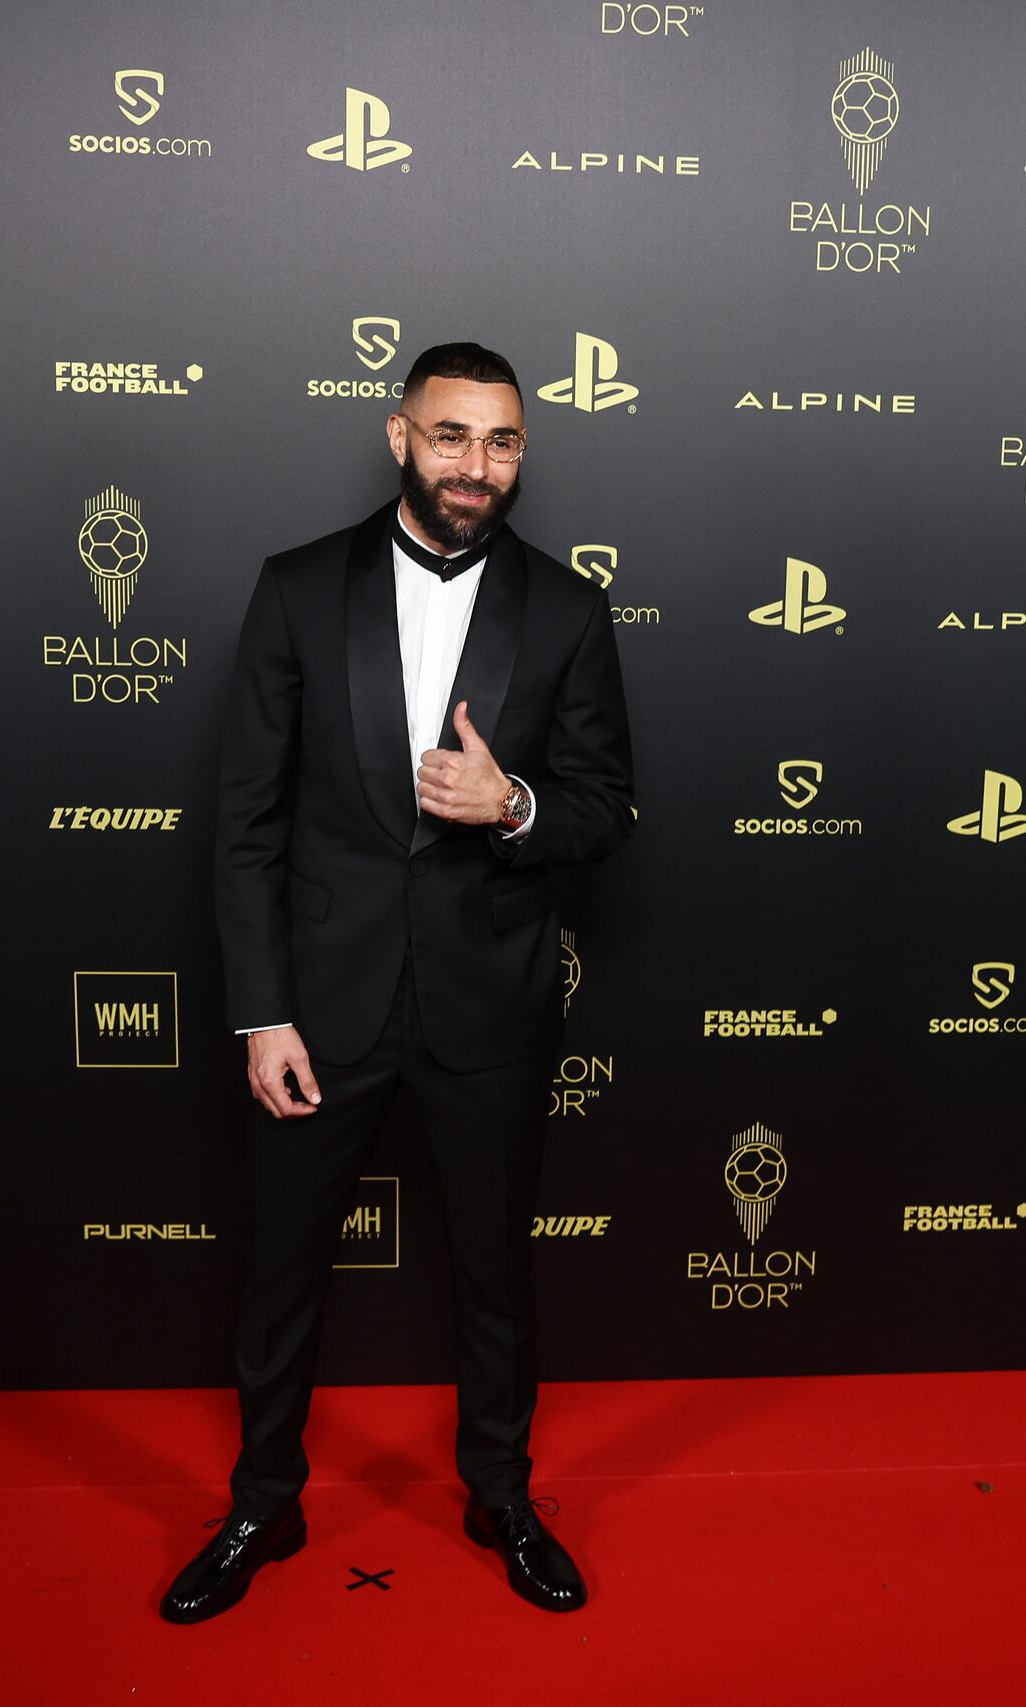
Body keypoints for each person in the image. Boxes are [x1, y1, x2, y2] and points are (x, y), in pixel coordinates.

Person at [162, 341, 637, 1624]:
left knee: (495, 1274)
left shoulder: (568, 608)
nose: (475, 466)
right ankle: (263, 1500)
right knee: (280, 1271)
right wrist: (262, 1013)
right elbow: (246, 821)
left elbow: (605, 808)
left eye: (500, 443)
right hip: (320, 1008)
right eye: (451, 437)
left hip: (492, 1003)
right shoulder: (300, 589)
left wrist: (514, 800)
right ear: (398, 437)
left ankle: (501, 1494)